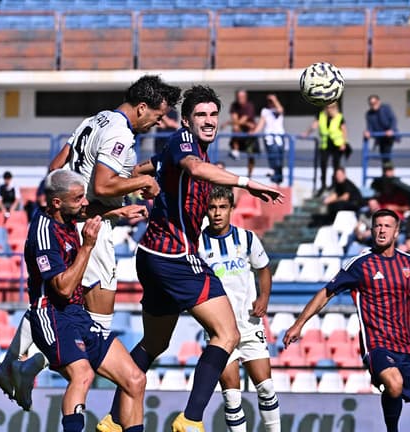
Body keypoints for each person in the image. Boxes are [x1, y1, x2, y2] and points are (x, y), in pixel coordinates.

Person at [97, 85, 283, 432]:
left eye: (213, 115)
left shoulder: (184, 148)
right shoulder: (186, 143)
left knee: (154, 342)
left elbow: (149, 165)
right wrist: (247, 183)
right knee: (227, 334)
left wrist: (130, 179)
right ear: (187, 120)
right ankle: (191, 420)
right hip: (174, 255)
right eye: (201, 115)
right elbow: (194, 169)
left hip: (151, 256)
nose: (209, 121)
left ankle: (114, 419)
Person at [0, 75, 178, 411]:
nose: (158, 123)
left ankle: (16, 365)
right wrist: (141, 183)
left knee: (61, 308)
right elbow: (104, 186)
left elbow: (55, 169)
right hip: (92, 228)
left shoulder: (95, 120)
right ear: (142, 107)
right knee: (97, 321)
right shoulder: (120, 132)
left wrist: (113, 201)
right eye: (158, 115)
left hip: (70, 224)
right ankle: (48, 373)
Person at [283, 209, 410, 432]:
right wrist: (299, 323)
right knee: (394, 384)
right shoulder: (360, 264)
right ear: (372, 230)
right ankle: (392, 429)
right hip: (378, 345)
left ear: (397, 231)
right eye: (377, 225)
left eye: (387, 226)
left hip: (409, 346)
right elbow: (326, 293)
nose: (381, 230)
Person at [21, 169, 146, 432]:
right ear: (57, 202)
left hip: (79, 315)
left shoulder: (65, 215)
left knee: (135, 379)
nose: (85, 203)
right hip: (52, 314)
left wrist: (118, 213)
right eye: (78, 198)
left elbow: (86, 213)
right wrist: (88, 246)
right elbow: (63, 289)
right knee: (83, 374)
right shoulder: (44, 234)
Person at [198, 186, 280, 432]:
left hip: (249, 323)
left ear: (231, 209)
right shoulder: (197, 243)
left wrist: (264, 297)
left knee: (265, 387)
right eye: (212, 208)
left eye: (223, 207)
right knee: (231, 395)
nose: (217, 213)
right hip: (218, 329)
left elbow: (263, 268)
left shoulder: (247, 238)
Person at [305, 101, 347, 195]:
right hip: (325, 144)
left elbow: (344, 130)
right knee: (323, 164)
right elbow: (314, 125)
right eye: (328, 107)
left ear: (335, 107)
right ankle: (323, 185)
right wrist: (306, 133)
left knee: (336, 165)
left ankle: (334, 185)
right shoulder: (321, 115)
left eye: (331, 107)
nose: (329, 109)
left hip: (336, 144)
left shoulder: (339, 116)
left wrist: (343, 143)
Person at [252, 94, 285, 185]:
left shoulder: (278, 109)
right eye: (269, 101)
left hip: (279, 137)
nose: (271, 103)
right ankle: (274, 178)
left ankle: (278, 179)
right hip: (269, 137)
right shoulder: (265, 111)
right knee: (272, 157)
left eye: (272, 101)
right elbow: (261, 123)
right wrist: (254, 132)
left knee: (279, 159)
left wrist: (274, 99)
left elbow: (280, 110)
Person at [228, 89, 258, 178]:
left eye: (242, 97)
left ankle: (250, 175)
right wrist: (246, 124)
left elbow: (241, 120)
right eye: (238, 97)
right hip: (241, 131)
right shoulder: (234, 105)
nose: (240, 98)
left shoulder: (249, 106)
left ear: (245, 97)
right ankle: (235, 150)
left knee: (251, 155)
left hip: (250, 134)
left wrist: (229, 123)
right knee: (235, 127)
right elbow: (236, 121)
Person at [365, 94, 398, 164]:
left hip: (389, 136)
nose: (373, 105)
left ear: (379, 102)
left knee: (386, 154)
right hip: (380, 137)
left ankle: (389, 173)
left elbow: (393, 120)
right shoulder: (369, 114)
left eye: (375, 103)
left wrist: (391, 130)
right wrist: (368, 132)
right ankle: (385, 172)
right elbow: (369, 127)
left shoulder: (386, 108)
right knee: (383, 156)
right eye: (371, 104)